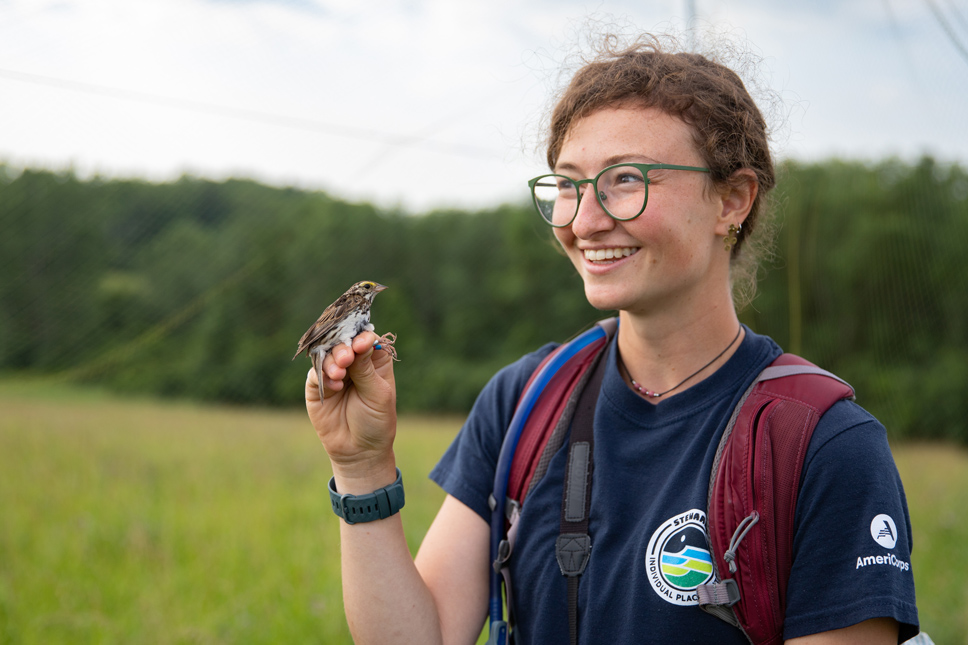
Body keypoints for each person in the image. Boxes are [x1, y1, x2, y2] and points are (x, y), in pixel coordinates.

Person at [305, 34, 919, 644]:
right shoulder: (524, 399)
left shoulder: (823, 445)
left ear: (732, 199)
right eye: (568, 184)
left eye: (626, 179)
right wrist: (361, 469)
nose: (586, 220)